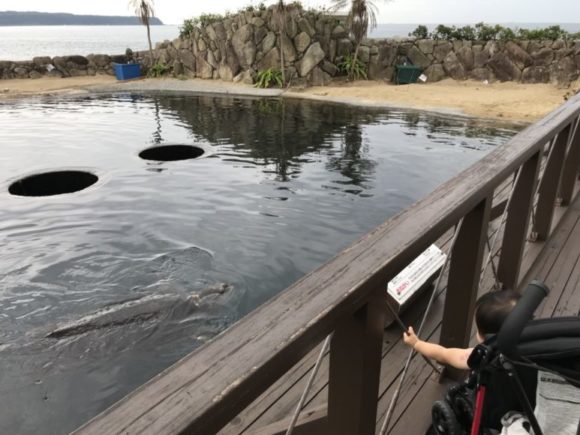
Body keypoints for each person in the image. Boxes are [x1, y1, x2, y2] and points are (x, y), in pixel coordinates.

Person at [403, 289, 521, 369]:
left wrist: (416, 343)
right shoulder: (536, 347)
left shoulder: (483, 357)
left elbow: (443, 354)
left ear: (485, 336)